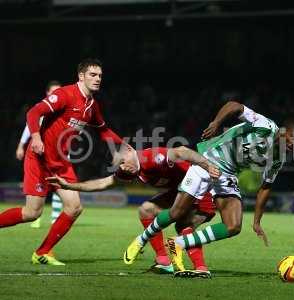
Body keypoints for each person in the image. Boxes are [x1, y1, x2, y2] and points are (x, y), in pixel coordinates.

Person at [122, 101, 294, 272]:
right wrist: (216, 123)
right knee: (177, 213)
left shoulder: (278, 158)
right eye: (292, 138)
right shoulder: (264, 125)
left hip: (227, 174)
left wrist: (257, 222)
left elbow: (266, 187)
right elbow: (234, 106)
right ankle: (141, 239)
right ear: (283, 132)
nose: (293, 144)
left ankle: (178, 243)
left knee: (233, 226)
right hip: (208, 160)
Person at [0, 58, 124, 266]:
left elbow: (103, 130)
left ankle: (43, 252)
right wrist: (37, 138)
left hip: (61, 162)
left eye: (100, 75)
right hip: (40, 160)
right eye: (93, 75)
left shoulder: (91, 105)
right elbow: (33, 112)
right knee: (32, 213)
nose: (98, 79)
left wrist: (126, 147)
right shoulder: (64, 94)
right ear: (81, 76)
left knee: (74, 207)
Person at [47, 144, 220, 278]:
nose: (123, 167)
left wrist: (208, 165)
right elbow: (102, 183)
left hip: (202, 186)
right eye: (119, 166)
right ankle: (164, 261)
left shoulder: (151, 157)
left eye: (123, 161)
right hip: (180, 191)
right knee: (146, 210)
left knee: (184, 225)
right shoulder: (128, 170)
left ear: (129, 149)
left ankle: (201, 268)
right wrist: (69, 186)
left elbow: (182, 151)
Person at [16, 80, 63, 229]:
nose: (56, 94)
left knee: (59, 185)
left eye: (59, 91)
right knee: (38, 188)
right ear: (47, 93)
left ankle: (55, 218)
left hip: (58, 155)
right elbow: (29, 127)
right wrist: (21, 145)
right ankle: (35, 216)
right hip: (39, 154)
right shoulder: (43, 108)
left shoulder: (63, 109)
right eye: (53, 91)